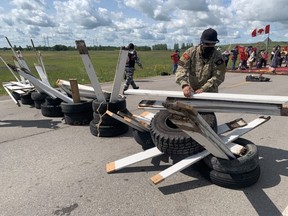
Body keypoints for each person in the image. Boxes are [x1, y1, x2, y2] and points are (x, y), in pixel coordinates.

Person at [175, 28, 226, 97]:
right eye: (207, 44)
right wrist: (184, 84)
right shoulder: (190, 52)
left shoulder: (218, 56)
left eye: (212, 44)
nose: (209, 47)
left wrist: (204, 88)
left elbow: (219, 75)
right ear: (201, 42)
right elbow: (181, 69)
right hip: (192, 93)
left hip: (210, 93)